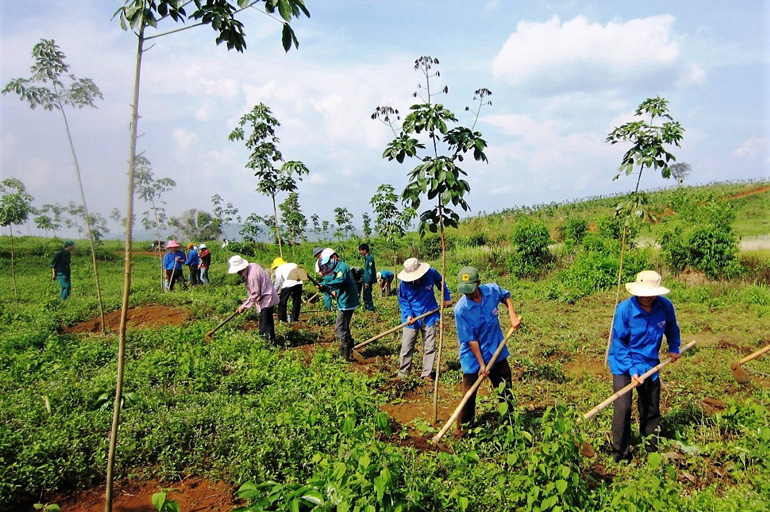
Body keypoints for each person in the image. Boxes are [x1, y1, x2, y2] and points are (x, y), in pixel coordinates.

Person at [608, 270, 681, 462]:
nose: (647, 298)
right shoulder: (624, 310)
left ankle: (651, 449)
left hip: (649, 363)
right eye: (643, 294)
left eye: (651, 295)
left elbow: (672, 329)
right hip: (623, 363)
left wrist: (674, 348)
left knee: (650, 407)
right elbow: (620, 344)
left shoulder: (665, 307)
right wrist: (632, 371)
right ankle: (620, 454)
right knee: (623, 408)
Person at [453, 266, 521, 435]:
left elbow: (506, 295)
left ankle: (509, 421)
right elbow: (470, 339)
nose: (467, 294)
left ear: (479, 283)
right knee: (469, 393)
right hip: (473, 356)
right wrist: (482, 364)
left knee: (505, 383)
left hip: (495, 347)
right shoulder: (461, 309)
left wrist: (512, 314)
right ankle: (464, 430)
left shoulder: (491, 291)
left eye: (471, 289)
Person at [396, 258, 452, 381]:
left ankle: (427, 373)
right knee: (407, 346)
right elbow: (403, 301)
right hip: (412, 317)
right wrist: (409, 315)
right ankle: (404, 373)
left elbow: (441, 282)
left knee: (430, 346)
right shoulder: (404, 284)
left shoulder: (431, 273)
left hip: (430, 313)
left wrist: (446, 297)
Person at [317, 250, 360, 361]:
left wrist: (325, 284)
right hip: (345, 300)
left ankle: (344, 356)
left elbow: (339, 281)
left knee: (339, 329)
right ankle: (350, 350)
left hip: (347, 302)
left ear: (335, 257)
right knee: (344, 327)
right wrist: (326, 286)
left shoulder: (342, 268)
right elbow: (335, 281)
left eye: (329, 261)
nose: (328, 265)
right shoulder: (338, 268)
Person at [228, 255, 279, 343]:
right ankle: (269, 340)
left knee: (265, 322)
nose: (237, 273)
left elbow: (255, 294)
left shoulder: (252, 276)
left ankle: (268, 342)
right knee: (265, 320)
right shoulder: (253, 265)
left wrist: (243, 306)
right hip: (265, 297)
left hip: (267, 298)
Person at [272, 257, 304, 323]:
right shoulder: (293, 264)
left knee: (282, 302)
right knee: (296, 302)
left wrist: (274, 291)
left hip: (288, 284)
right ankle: (294, 319)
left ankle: (282, 319)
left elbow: (278, 281)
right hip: (299, 283)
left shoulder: (279, 269)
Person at [313, 246, 335, 311]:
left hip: (327, 278)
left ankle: (328, 309)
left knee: (327, 294)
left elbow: (319, 273)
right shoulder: (332, 258)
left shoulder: (318, 262)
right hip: (334, 277)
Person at [358, 243, 377, 311]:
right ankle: (368, 308)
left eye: (361, 250)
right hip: (366, 280)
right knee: (365, 295)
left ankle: (370, 309)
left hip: (367, 281)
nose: (360, 252)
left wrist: (367, 282)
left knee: (367, 295)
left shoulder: (369, 258)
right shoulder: (367, 258)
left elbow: (370, 271)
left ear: (364, 250)